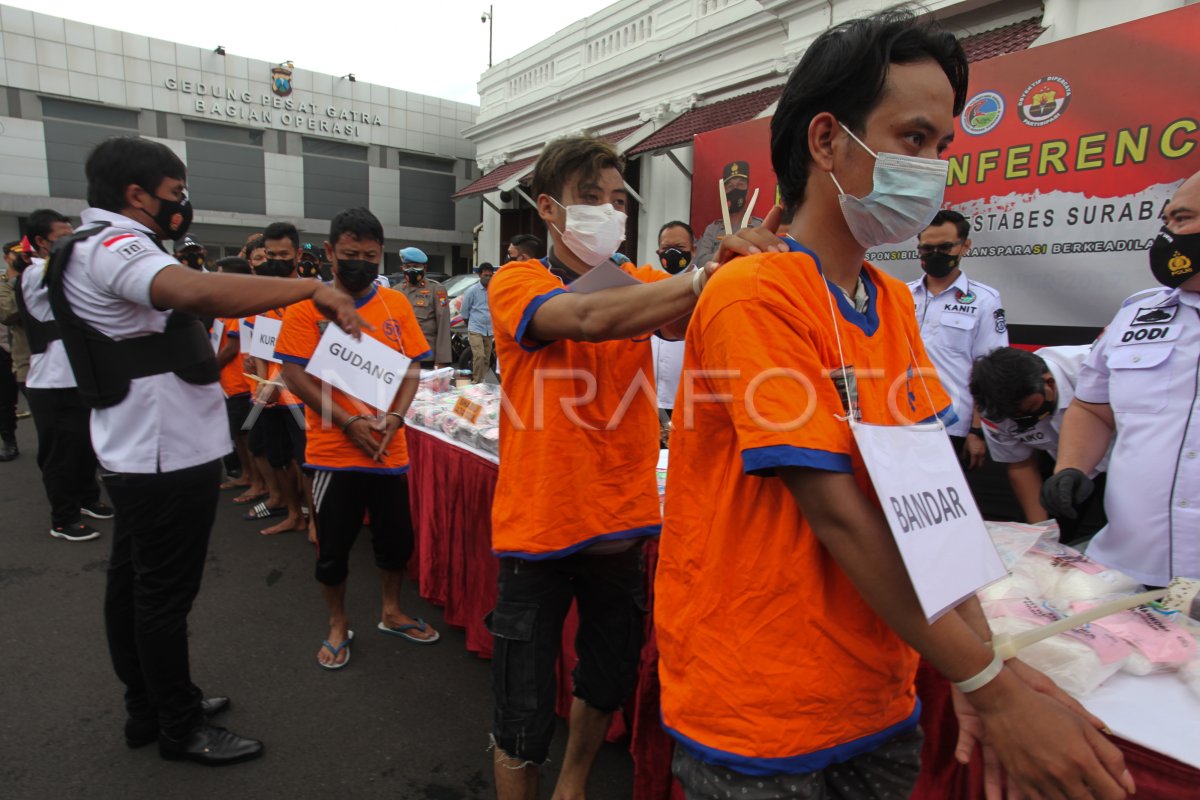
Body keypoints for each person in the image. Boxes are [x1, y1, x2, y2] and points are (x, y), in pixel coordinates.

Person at [654, 10, 1133, 800]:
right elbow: (837, 513)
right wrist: (990, 686)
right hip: (764, 706)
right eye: (913, 139)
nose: (935, 167)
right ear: (826, 141)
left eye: (943, 146)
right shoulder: (756, 291)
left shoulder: (889, 301)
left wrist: (985, 660)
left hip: (878, 694)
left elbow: (930, 505)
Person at [45, 135, 364, 765]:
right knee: (161, 596)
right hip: (164, 452)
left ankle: (154, 704)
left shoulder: (83, 246)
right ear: (136, 195)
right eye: (174, 195)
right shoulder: (116, 245)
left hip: (141, 446)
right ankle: (178, 725)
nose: (182, 205)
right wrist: (309, 289)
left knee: (134, 586)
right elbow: (195, 292)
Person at [485, 133, 733, 800]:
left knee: (604, 679)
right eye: (588, 198)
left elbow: (683, 314)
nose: (607, 209)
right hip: (536, 531)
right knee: (521, 710)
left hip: (621, 527)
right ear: (548, 208)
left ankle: (572, 786)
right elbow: (588, 317)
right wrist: (702, 277)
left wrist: (731, 265)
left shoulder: (644, 282)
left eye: (617, 198)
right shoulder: (518, 281)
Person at [277, 206, 440, 669]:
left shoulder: (397, 304)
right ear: (330, 252)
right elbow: (293, 374)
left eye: (370, 255)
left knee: (395, 543)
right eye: (350, 253)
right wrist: (348, 422)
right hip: (334, 452)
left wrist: (395, 417)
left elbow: (412, 367)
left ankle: (391, 611)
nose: (361, 262)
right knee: (332, 551)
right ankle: (336, 623)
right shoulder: (305, 305)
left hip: (390, 449)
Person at [1045, 169, 1200, 588]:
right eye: (1165, 221)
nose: (1167, 235)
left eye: (1182, 220)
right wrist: (1072, 467)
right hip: (1125, 571)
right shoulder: (1137, 313)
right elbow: (1093, 408)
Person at [17, 208, 113, 541]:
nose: (71, 245)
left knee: (87, 446)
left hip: (80, 378)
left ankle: (88, 500)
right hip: (51, 383)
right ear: (42, 242)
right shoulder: (34, 274)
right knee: (59, 455)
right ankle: (63, 518)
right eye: (63, 239)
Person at [969, 345, 1108, 540]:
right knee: (1047, 536)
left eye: (1031, 409)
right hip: (1061, 462)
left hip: (1127, 454)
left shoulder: (1097, 372)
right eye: (1013, 417)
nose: (1024, 419)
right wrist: (1042, 534)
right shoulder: (995, 411)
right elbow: (1021, 464)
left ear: (1048, 383)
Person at [909, 209, 1007, 470]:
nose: (935, 255)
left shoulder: (985, 299)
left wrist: (977, 430)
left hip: (950, 424)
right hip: (898, 420)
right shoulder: (900, 295)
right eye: (927, 248)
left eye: (945, 247)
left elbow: (988, 370)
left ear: (965, 246)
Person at [243, 222, 308, 536]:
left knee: (305, 462)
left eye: (283, 254)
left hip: (299, 396)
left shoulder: (309, 294)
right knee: (277, 457)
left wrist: (274, 383)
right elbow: (261, 343)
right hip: (268, 397)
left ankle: (313, 521)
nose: (276, 260)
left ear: (297, 254)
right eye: (271, 254)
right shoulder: (263, 293)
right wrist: (259, 381)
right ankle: (293, 513)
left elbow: (303, 351)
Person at [212, 256, 264, 498]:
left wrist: (208, 369)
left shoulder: (240, 306)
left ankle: (256, 481)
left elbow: (232, 347)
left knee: (247, 437)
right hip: (228, 384)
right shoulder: (226, 304)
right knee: (239, 436)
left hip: (241, 383)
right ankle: (247, 475)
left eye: (221, 274)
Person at [652, 221, 696, 421]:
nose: (672, 254)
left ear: (693, 251)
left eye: (679, 248)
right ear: (658, 252)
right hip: (648, 398)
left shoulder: (706, 287)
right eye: (666, 249)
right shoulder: (646, 287)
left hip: (690, 399)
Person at [694, 160, 765, 266]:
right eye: (730, 187)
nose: (735, 190)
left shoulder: (759, 226)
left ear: (748, 191)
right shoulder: (713, 229)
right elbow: (700, 262)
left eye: (740, 185)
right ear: (724, 192)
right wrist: (724, 253)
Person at [396, 246, 451, 368]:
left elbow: (443, 326)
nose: (411, 270)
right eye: (408, 266)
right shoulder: (396, 291)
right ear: (402, 268)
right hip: (401, 357)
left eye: (416, 266)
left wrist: (442, 360)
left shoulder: (436, 290)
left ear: (424, 268)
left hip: (426, 357)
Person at [0, 240, 30, 460]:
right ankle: (9, 441)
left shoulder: (38, 275)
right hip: (4, 347)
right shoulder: (3, 282)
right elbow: (7, 314)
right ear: (7, 257)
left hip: (32, 349)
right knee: (5, 399)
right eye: (16, 254)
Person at [458, 262, 494, 382]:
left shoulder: (494, 290)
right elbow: (464, 310)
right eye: (485, 275)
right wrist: (470, 325)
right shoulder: (472, 291)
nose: (488, 278)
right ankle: (476, 381)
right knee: (479, 356)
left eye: (490, 275)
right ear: (480, 275)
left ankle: (482, 381)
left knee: (486, 358)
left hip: (489, 329)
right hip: (475, 328)